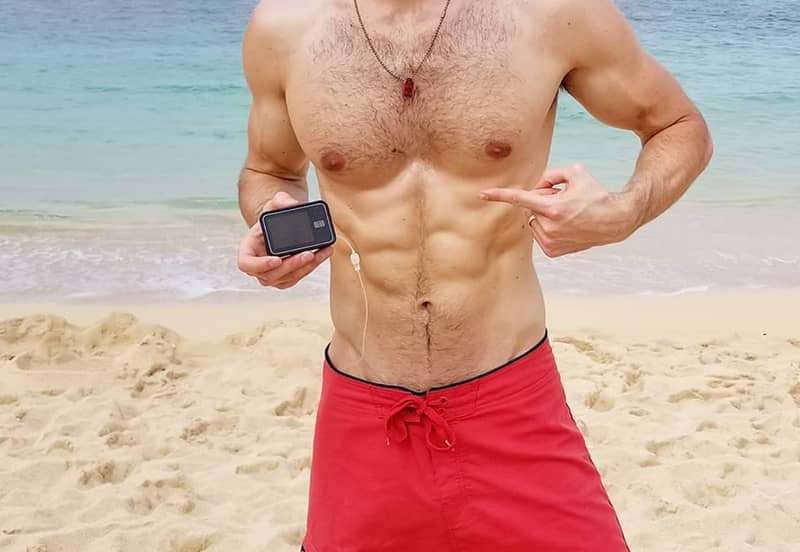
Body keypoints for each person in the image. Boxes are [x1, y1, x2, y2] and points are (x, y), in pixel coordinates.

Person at [236, 0, 712, 549]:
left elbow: (678, 125)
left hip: (511, 402)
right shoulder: (284, 26)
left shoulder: (552, 13)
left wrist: (624, 212)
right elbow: (269, 169)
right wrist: (271, 220)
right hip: (364, 412)